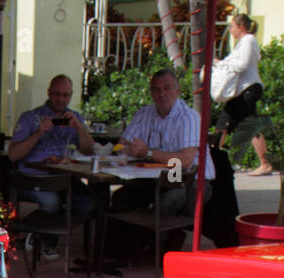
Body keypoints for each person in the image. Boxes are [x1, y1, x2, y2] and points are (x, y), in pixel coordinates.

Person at [8, 74, 98, 260]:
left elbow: (89, 151)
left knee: (89, 202)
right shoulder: (31, 117)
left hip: (63, 178)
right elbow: (13, 155)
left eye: (66, 95)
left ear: (71, 95)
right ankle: (47, 240)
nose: (61, 100)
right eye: (56, 94)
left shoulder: (75, 118)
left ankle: (41, 232)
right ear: (48, 93)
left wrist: (79, 128)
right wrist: (39, 132)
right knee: (52, 202)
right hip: (32, 177)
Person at [113, 68, 214, 215]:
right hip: (156, 178)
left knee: (165, 203)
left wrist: (147, 152)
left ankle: (163, 238)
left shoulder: (188, 117)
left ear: (177, 90)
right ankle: (130, 237)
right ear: (151, 93)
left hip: (190, 180)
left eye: (167, 88)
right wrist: (128, 149)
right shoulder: (144, 113)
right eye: (156, 90)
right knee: (121, 198)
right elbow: (121, 144)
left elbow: (185, 161)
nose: (162, 94)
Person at [212, 14, 272, 175]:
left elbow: (243, 64)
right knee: (222, 124)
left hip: (247, 89)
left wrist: (223, 65)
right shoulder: (243, 43)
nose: (230, 30)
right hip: (239, 92)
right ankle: (213, 160)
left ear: (240, 26)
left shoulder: (248, 40)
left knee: (249, 125)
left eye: (232, 26)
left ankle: (265, 163)